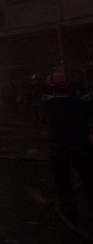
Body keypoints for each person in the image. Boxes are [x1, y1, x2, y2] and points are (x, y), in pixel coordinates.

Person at [41, 71, 93, 224]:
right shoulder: (79, 102)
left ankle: (68, 206)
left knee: (62, 178)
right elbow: (85, 101)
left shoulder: (48, 102)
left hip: (58, 147)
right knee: (88, 177)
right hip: (80, 146)